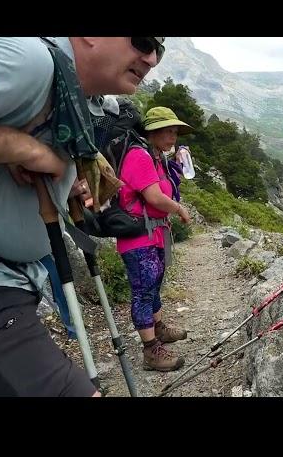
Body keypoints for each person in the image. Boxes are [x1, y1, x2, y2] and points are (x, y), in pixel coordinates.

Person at [0, 37, 165, 396]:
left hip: (5, 284)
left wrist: (64, 182)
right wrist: (20, 147)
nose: (151, 58)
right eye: (143, 40)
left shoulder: (76, 97)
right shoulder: (30, 62)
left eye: (160, 50)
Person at [116, 106, 192, 371]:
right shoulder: (139, 156)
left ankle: (158, 329)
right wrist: (179, 208)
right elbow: (154, 197)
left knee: (154, 284)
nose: (173, 137)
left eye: (175, 132)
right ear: (152, 132)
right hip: (138, 237)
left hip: (154, 232)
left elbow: (164, 189)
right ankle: (150, 351)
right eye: (167, 131)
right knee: (143, 292)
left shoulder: (156, 156)